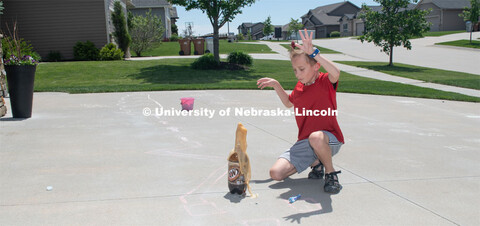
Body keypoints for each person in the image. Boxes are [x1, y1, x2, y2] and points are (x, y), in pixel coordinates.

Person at [256, 29, 344, 194]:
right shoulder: (300, 87)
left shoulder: (325, 81)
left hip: (329, 139)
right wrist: (276, 84)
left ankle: (331, 174)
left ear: (316, 66)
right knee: (276, 173)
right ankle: (317, 163)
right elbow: (289, 103)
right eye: (295, 70)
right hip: (306, 142)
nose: (297, 74)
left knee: (316, 137)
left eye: (302, 69)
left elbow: (336, 72)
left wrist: (315, 53)